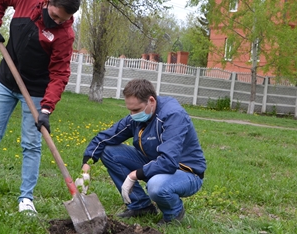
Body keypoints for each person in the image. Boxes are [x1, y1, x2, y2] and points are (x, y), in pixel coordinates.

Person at [0, 0, 81, 213]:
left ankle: (26, 199)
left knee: (31, 144)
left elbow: (59, 74)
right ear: (47, 2)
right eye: (55, 16)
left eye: (63, 19)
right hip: (6, 80)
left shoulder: (65, 34)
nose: (57, 22)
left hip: (36, 90)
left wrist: (46, 109)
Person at [81, 79, 206, 225]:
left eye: (136, 110)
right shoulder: (138, 116)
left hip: (185, 172)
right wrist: (86, 167)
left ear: (151, 101)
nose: (132, 114)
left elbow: (169, 162)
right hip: (156, 164)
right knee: (109, 151)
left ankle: (173, 214)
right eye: (130, 110)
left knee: (156, 186)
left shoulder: (173, 115)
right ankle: (141, 206)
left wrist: (134, 175)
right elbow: (105, 138)